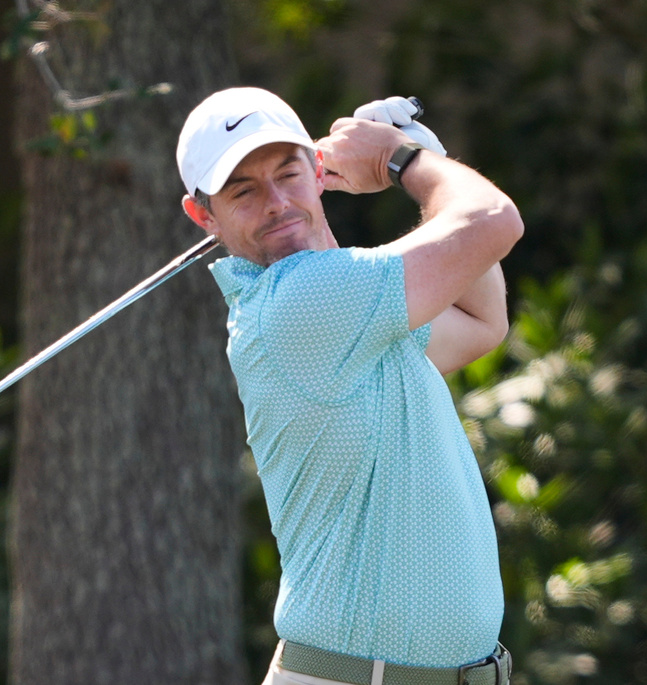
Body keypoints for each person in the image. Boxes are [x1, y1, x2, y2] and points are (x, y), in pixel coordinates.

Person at [177, 87, 523, 685]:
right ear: (203, 216)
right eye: (243, 191)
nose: (278, 203)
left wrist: (420, 156)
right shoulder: (300, 303)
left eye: (288, 173)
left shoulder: (355, 309)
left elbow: (480, 323)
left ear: (317, 171)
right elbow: (494, 222)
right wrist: (404, 162)